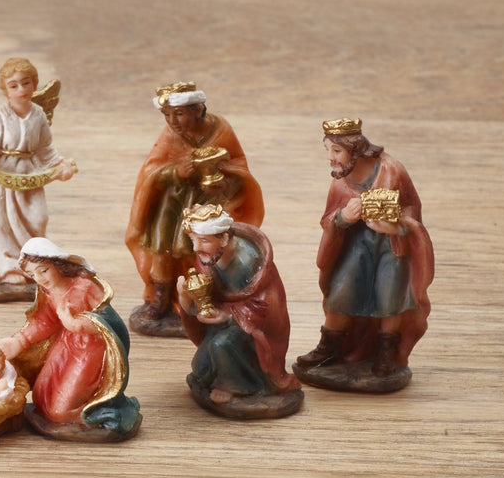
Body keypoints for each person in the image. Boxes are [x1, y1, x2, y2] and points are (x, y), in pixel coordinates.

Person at [294, 117, 434, 391]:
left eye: (336, 150)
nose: (331, 158)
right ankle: (329, 346)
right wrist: (344, 217)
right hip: (356, 246)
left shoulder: (392, 171)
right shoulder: (340, 182)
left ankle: (387, 352)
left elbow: (411, 210)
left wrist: (396, 227)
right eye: (328, 150)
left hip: (391, 247)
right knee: (341, 290)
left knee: (390, 295)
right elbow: (329, 219)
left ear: (355, 148)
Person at [125, 82, 264, 335]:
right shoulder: (171, 135)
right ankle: (160, 299)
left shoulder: (220, 130)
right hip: (172, 206)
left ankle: (203, 300)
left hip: (209, 204)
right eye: (167, 115)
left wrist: (222, 182)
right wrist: (175, 171)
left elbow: (238, 167)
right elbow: (151, 170)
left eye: (179, 113)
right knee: (163, 251)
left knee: (202, 250)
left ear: (197, 109)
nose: (173, 121)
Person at [0, 237, 141, 441]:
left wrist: (75, 324)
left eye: (43, 270)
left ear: (58, 264)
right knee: (41, 397)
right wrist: (20, 341)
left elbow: (107, 321)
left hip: (91, 349)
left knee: (59, 413)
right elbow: (45, 321)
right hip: (66, 344)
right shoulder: (48, 291)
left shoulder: (85, 287)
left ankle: (99, 411)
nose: (39, 278)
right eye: (32, 274)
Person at [176, 204, 302, 419]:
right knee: (201, 367)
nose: (197, 248)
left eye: (204, 240)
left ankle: (240, 387)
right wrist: (187, 298)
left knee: (221, 345)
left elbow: (265, 305)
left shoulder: (248, 262)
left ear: (224, 238)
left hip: (252, 327)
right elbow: (210, 295)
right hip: (227, 323)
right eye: (193, 240)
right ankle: (223, 377)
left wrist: (228, 315)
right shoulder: (209, 255)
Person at [0, 58, 75, 301]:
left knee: (38, 218)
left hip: (30, 175)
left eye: (26, 83)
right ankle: (6, 270)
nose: (21, 89)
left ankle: (31, 265)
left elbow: (46, 148)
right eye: (14, 85)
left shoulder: (38, 114)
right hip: (2, 177)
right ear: (5, 90)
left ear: (34, 84)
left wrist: (60, 165)